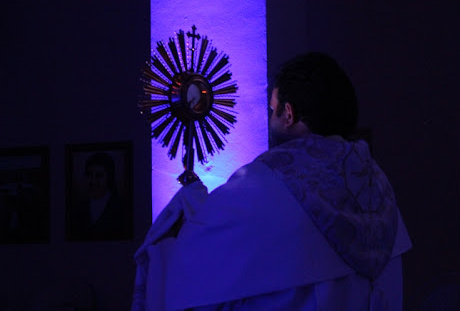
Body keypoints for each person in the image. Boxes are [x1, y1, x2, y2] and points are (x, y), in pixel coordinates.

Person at [133, 52, 412, 310]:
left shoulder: (263, 184)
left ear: (288, 114)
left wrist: (179, 218)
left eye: (272, 109)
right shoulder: (377, 186)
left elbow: (196, 263)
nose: (270, 119)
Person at [70, 152, 131, 241]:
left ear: (109, 177)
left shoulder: (120, 208)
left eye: (99, 175)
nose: (93, 181)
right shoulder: (79, 208)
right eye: (89, 175)